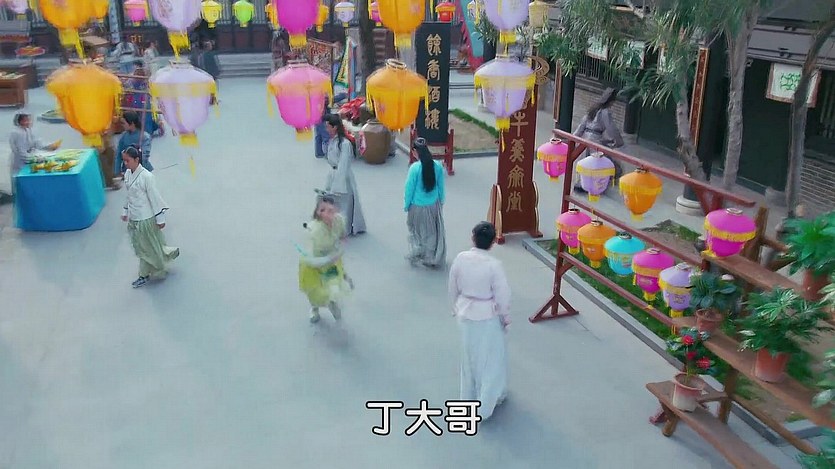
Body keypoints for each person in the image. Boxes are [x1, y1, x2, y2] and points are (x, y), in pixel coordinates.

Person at [448, 221, 511, 421]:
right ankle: (485, 406)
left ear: (472, 237)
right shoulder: (494, 266)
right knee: (491, 361)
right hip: (487, 316)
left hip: (465, 313)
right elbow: (502, 295)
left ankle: (467, 399)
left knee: (469, 360)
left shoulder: (461, 258)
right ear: (492, 243)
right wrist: (505, 316)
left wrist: (455, 306)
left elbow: (453, 285)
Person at [120, 146, 179, 288]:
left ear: (136, 160)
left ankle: (144, 274)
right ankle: (164, 257)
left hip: (145, 219)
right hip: (135, 217)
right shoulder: (128, 174)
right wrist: (125, 210)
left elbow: (154, 198)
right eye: (124, 161)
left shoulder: (146, 177)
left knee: (146, 248)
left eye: (128, 161)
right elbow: (129, 195)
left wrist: (160, 218)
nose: (125, 164)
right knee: (147, 247)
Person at [298, 197, 353, 323]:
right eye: (323, 210)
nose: (327, 213)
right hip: (314, 265)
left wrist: (340, 248)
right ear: (318, 212)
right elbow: (310, 257)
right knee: (315, 291)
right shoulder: (314, 231)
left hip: (332, 262)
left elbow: (342, 237)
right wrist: (330, 257)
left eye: (330, 209)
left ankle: (333, 306)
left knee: (333, 288)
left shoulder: (339, 221)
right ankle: (314, 308)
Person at [404, 137, 446, 268]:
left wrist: (407, 205)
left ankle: (418, 251)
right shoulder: (437, 166)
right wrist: (441, 201)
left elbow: (409, 189)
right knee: (432, 232)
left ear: (414, 151)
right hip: (433, 204)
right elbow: (441, 186)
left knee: (416, 231)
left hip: (417, 206)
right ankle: (430, 256)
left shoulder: (415, 168)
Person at [572, 87, 625, 193]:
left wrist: (574, 138)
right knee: (605, 163)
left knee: (587, 162)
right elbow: (611, 128)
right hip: (596, 140)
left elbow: (582, 125)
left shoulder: (592, 109)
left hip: (586, 138)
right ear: (612, 102)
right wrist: (618, 141)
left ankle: (583, 184)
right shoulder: (605, 112)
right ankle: (598, 185)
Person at [323, 114, 366, 235]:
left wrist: (338, 184)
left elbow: (343, 164)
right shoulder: (333, 141)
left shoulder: (344, 144)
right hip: (333, 174)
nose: (326, 129)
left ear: (335, 127)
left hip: (343, 177)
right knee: (335, 204)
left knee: (344, 205)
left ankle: (344, 229)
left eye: (328, 126)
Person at [8, 113, 60, 195]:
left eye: (28, 120)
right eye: (25, 120)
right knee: (19, 187)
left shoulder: (28, 130)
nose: (28, 122)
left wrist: (49, 147)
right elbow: (20, 152)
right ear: (19, 121)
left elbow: (36, 143)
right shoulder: (16, 133)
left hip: (28, 160)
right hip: (19, 163)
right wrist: (34, 159)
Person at [116, 111, 153, 176]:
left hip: (143, 171)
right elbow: (118, 154)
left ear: (132, 123)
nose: (122, 125)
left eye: (124, 123)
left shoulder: (145, 137)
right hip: (128, 171)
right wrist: (117, 171)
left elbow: (144, 156)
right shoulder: (123, 136)